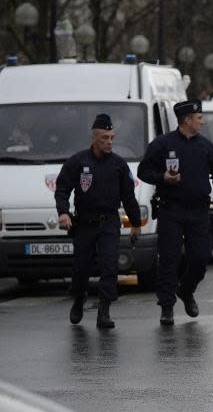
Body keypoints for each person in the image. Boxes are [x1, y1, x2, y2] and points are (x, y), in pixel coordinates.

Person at [137, 100, 213, 326]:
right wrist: (163, 178)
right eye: (199, 118)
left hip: (199, 211)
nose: (203, 121)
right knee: (169, 259)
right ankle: (166, 307)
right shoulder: (162, 144)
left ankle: (186, 291)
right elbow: (144, 171)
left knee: (200, 258)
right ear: (187, 120)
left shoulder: (206, 146)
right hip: (171, 210)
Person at [55, 114, 141, 329]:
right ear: (94, 138)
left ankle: (104, 311)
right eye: (104, 138)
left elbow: (129, 197)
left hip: (109, 223)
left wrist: (136, 224)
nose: (109, 142)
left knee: (110, 267)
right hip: (84, 223)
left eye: (112, 137)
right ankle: (78, 298)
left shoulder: (119, 165)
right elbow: (62, 189)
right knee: (81, 268)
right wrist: (63, 212)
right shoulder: (78, 162)